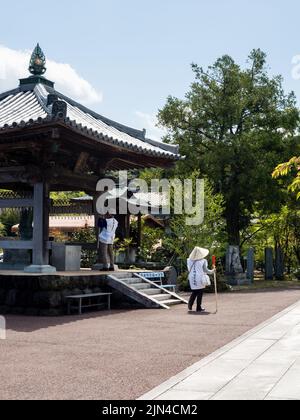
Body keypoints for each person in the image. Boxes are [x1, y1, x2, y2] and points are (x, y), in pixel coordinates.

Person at [187, 247, 215, 313]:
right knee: (200, 292)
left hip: (192, 277)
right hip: (200, 277)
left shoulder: (189, 260)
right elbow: (206, 270)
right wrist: (213, 271)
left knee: (195, 291)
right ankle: (198, 307)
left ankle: (190, 304)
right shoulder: (202, 261)